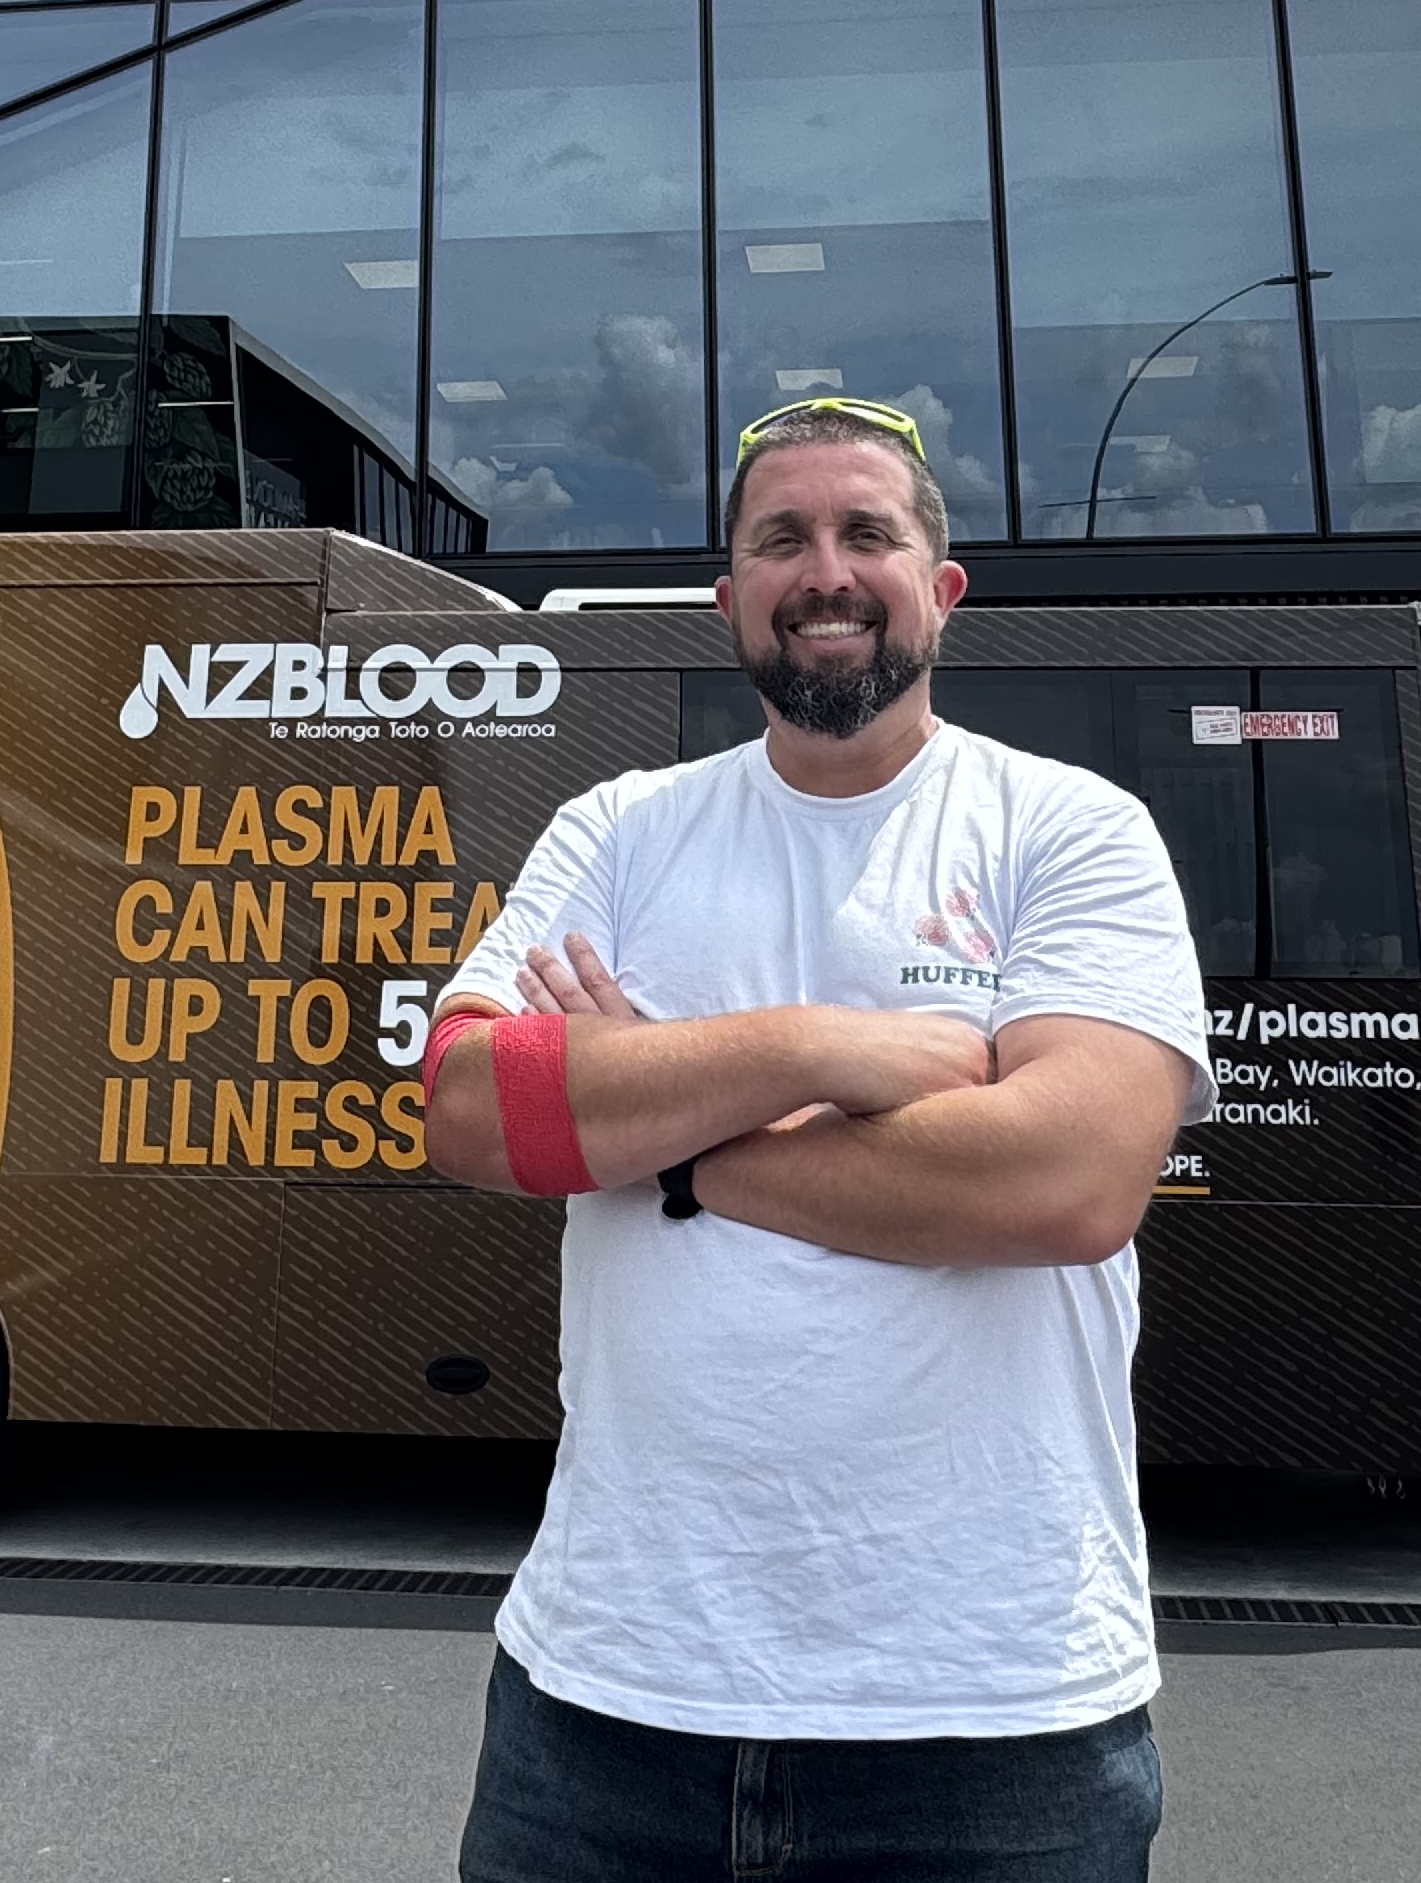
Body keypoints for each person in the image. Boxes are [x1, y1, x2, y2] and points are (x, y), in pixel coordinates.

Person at [424, 399, 1209, 1883]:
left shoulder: (1067, 830)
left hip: (991, 1725)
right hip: (607, 1701)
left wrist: (666, 1136)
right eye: (780, 538)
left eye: (869, 534)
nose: (825, 571)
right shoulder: (621, 829)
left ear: (941, 587)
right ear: (729, 600)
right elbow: (473, 1111)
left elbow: (1069, 1178)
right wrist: (813, 1051)